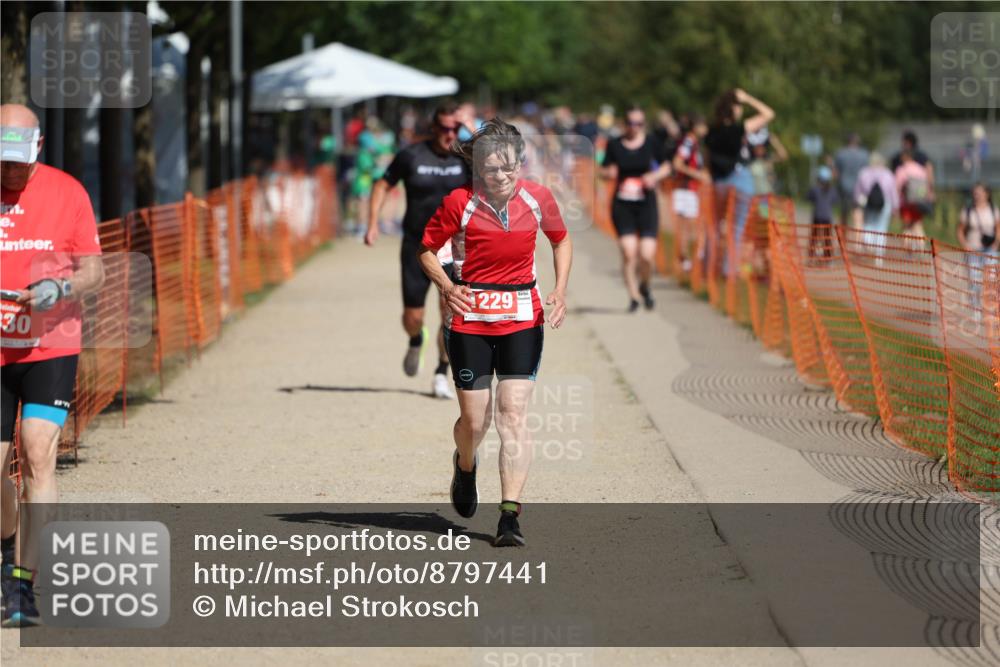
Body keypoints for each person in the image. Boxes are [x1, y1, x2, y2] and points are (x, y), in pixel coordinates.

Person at [417, 118, 572, 547]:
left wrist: (558, 290)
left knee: (513, 414)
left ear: (520, 164)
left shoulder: (538, 198)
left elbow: (560, 239)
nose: (501, 176)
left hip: (522, 316)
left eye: (508, 168)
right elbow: (426, 250)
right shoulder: (459, 202)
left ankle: (509, 517)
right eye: (491, 169)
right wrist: (448, 287)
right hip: (470, 320)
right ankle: (465, 466)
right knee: (474, 420)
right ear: (478, 169)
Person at [0, 104, 105, 626]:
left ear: (38, 147)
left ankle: (23, 587)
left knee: (37, 453)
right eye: (3, 161)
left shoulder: (68, 193)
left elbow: (96, 271)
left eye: (19, 160)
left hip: (51, 342)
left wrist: (59, 287)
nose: (11, 171)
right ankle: (6, 546)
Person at [366, 103, 471, 399]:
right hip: (416, 246)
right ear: (433, 127)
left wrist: (471, 127)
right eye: (445, 128)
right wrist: (373, 223)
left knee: (450, 311)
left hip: (452, 248)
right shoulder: (411, 155)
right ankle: (416, 340)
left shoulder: (465, 157)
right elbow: (382, 185)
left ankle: (441, 372)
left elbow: (494, 160)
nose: (450, 134)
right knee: (412, 316)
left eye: (456, 129)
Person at [599, 106, 671, 311]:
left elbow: (667, 166)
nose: (634, 127)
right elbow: (604, 169)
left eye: (638, 123)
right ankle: (633, 296)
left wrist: (654, 176)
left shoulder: (652, 143)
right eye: (631, 123)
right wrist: (608, 173)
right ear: (625, 124)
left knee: (647, 255)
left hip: (646, 203)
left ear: (643, 124)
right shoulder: (614, 145)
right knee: (629, 252)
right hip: (623, 205)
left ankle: (645, 286)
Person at [704, 89, 775, 275]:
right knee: (736, 228)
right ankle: (729, 271)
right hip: (740, 180)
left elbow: (707, 159)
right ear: (734, 109)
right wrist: (748, 98)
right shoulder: (739, 129)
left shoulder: (711, 131)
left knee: (714, 226)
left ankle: (708, 267)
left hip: (718, 182)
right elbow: (769, 114)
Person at [671, 115, 711, 274]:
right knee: (688, 228)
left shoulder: (694, 143)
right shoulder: (689, 141)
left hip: (689, 189)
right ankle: (686, 262)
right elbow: (677, 163)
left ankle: (686, 262)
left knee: (688, 227)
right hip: (686, 189)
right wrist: (697, 175)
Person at [958, 183, 1000, 314]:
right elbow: (960, 230)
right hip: (973, 249)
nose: (977, 195)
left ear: (987, 194)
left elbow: (998, 229)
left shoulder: (994, 210)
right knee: (975, 281)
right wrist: (965, 245)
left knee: (992, 280)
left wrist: (996, 243)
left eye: (979, 192)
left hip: (990, 250)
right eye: (975, 193)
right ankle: (975, 309)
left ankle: (990, 309)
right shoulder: (968, 210)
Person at [852, 152, 899, 258]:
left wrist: (856, 202)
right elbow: (893, 192)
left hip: (869, 203)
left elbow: (857, 191)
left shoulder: (864, 173)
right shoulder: (888, 174)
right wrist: (895, 207)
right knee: (882, 227)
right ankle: (879, 253)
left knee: (868, 225)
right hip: (885, 203)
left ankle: (869, 245)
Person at [894, 149, 934, 243]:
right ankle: (921, 249)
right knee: (918, 224)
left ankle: (908, 253)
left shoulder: (902, 169)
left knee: (907, 226)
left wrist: (895, 203)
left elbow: (897, 187)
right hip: (919, 202)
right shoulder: (920, 169)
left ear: (904, 157)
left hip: (906, 202)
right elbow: (926, 185)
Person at [833, 132, 870, 227]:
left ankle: (842, 236)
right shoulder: (864, 154)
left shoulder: (841, 153)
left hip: (844, 187)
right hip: (860, 188)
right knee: (858, 212)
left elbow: (836, 172)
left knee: (844, 212)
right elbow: (867, 172)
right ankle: (857, 236)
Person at [807, 166, 839, 262]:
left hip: (817, 216)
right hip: (827, 217)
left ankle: (811, 256)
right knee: (827, 237)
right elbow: (835, 201)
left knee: (814, 237)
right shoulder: (832, 190)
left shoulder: (815, 189)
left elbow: (808, 198)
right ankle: (828, 257)